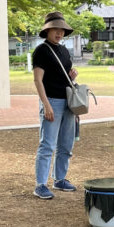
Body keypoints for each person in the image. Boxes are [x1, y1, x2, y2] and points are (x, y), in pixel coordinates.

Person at [32, 11, 80, 200]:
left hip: (67, 102)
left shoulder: (64, 50)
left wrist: (72, 76)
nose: (59, 33)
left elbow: (62, 75)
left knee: (66, 144)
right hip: (51, 101)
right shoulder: (41, 51)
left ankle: (59, 179)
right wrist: (46, 105)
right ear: (47, 30)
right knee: (47, 145)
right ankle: (40, 184)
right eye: (55, 29)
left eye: (61, 30)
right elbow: (38, 80)